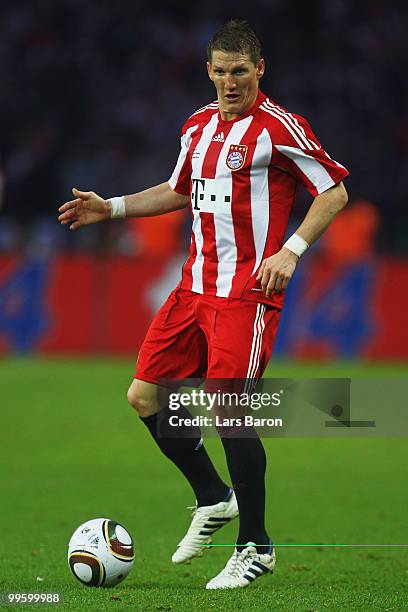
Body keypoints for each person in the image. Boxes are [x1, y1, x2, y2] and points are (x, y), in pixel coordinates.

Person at [58, 20, 349, 590]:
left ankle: (256, 547)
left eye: (241, 71)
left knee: (229, 410)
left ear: (259, 70)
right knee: (143, 396)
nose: (230, 81)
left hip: (248, 293)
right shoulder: (196, 125)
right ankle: (214, 498)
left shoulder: (279, 128)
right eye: (220, 71)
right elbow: (176, 190)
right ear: (208, 71)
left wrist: (290, 252)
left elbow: (334, 191)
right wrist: (109, 208)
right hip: (193, 289)